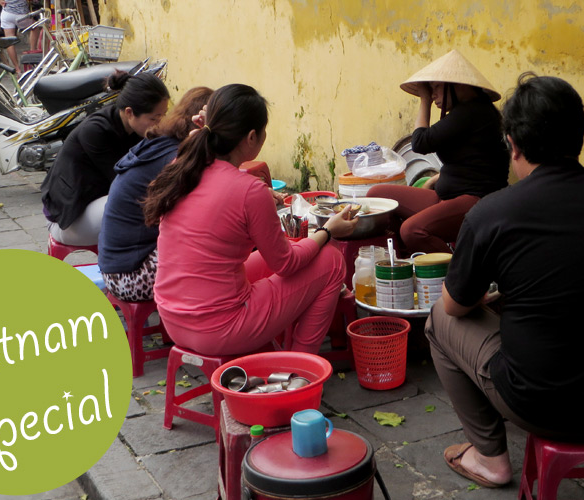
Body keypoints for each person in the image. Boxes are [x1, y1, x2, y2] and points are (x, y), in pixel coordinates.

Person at [426, 73, 584, 488]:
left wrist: (499, 296)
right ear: (578, 135)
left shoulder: (493, 212)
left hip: (542, 404)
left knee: (439, 319)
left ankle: (489, 457)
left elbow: (455, 306)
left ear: (512, 143)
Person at [143, 84, 359, 355]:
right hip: (221, 329)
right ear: (252, 137)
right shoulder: (249, 191)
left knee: (269, 260)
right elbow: (287, 264)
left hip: (174, 321)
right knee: (330, 260)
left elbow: (200, 142)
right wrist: (327, 231)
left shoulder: (183, 166)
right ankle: (299, 368)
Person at [367, 49, 509, 254]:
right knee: (377, 196)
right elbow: (470, 160)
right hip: (447, 197)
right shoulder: (469, 112)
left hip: (475, 202)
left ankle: (458, 274)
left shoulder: (472, 112)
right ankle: (410, 260)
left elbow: (420, 142)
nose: (433, 95)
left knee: (412, 230)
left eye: (436, 88)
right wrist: (435, 180)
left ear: (457, 85)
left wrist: (423, 100)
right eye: (430, 90)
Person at [98, 87, 214, 302]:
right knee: (213, 247)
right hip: (131, 276)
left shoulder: (161, 143)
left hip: (114, 269)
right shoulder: (175, 157)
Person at [41, 71, 170, 246]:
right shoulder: (96, 131)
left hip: (95, 204)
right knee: (142, 206)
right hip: (67, 219)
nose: (159, 123)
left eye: (163, 115)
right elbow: (126, 184)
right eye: (154, 118)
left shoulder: (135, 129)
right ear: (130, 112)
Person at [0, 0, 39, 72]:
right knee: (35, 27)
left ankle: (17, 68)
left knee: (9, 41)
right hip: (22, 15)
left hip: (7, 14)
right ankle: (32, 52)